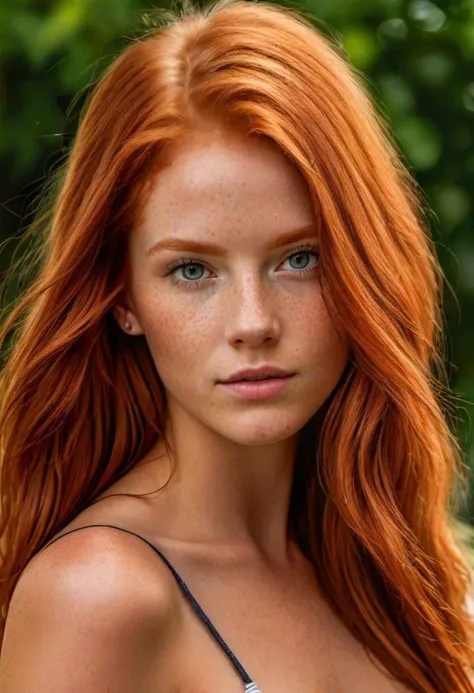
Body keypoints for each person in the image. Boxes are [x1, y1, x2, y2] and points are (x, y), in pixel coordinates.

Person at [0, 0, 473, 690]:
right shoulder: (100, 593)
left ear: (363, 265)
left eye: (299, 258)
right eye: (191, 269)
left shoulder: (407, 579)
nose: (253, 321)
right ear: (123, 295)